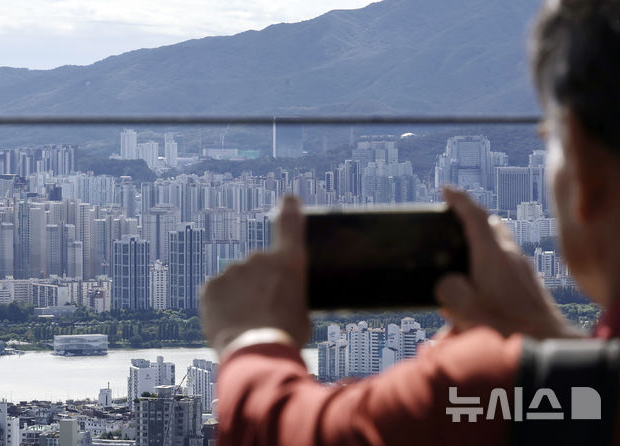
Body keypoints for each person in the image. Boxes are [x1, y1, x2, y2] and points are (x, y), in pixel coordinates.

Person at [200, 0, 620, 444]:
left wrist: (248, 339)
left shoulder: (489, 388)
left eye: (549, 139)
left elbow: (291, 432)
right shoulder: (568, 392)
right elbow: (586, 402)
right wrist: (546, 335)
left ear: (581, 162)